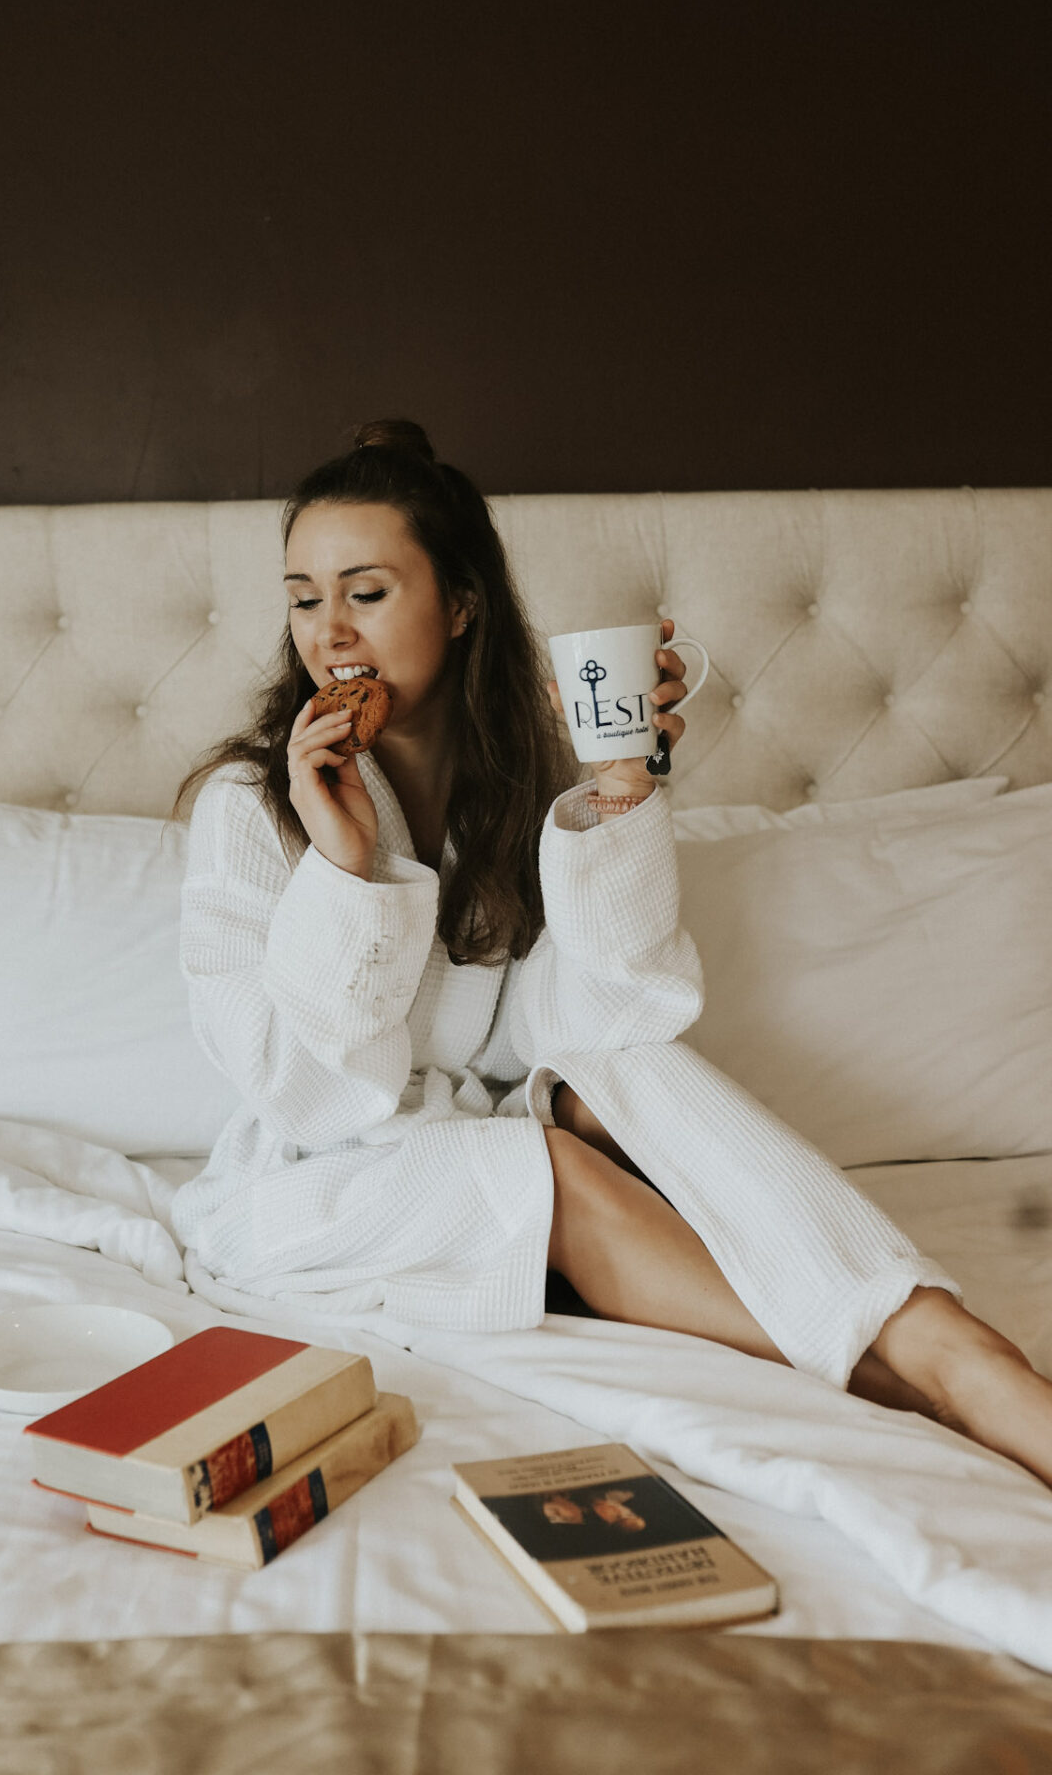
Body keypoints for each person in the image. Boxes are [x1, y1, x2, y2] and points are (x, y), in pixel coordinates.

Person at [171, 417, 1052, 1491]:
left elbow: (608, 1017)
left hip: (465, 1127)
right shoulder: (254, 809)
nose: (329, 633)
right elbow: (310, 1099)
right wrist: (345, 869)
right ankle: (913, 1373)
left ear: (459, 605)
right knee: (533, 1162)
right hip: (314, 1188)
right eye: (305, 598)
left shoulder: (517, 788)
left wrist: (620, 793)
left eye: (365, 591)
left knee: (627, 1078)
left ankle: (950, 1347)